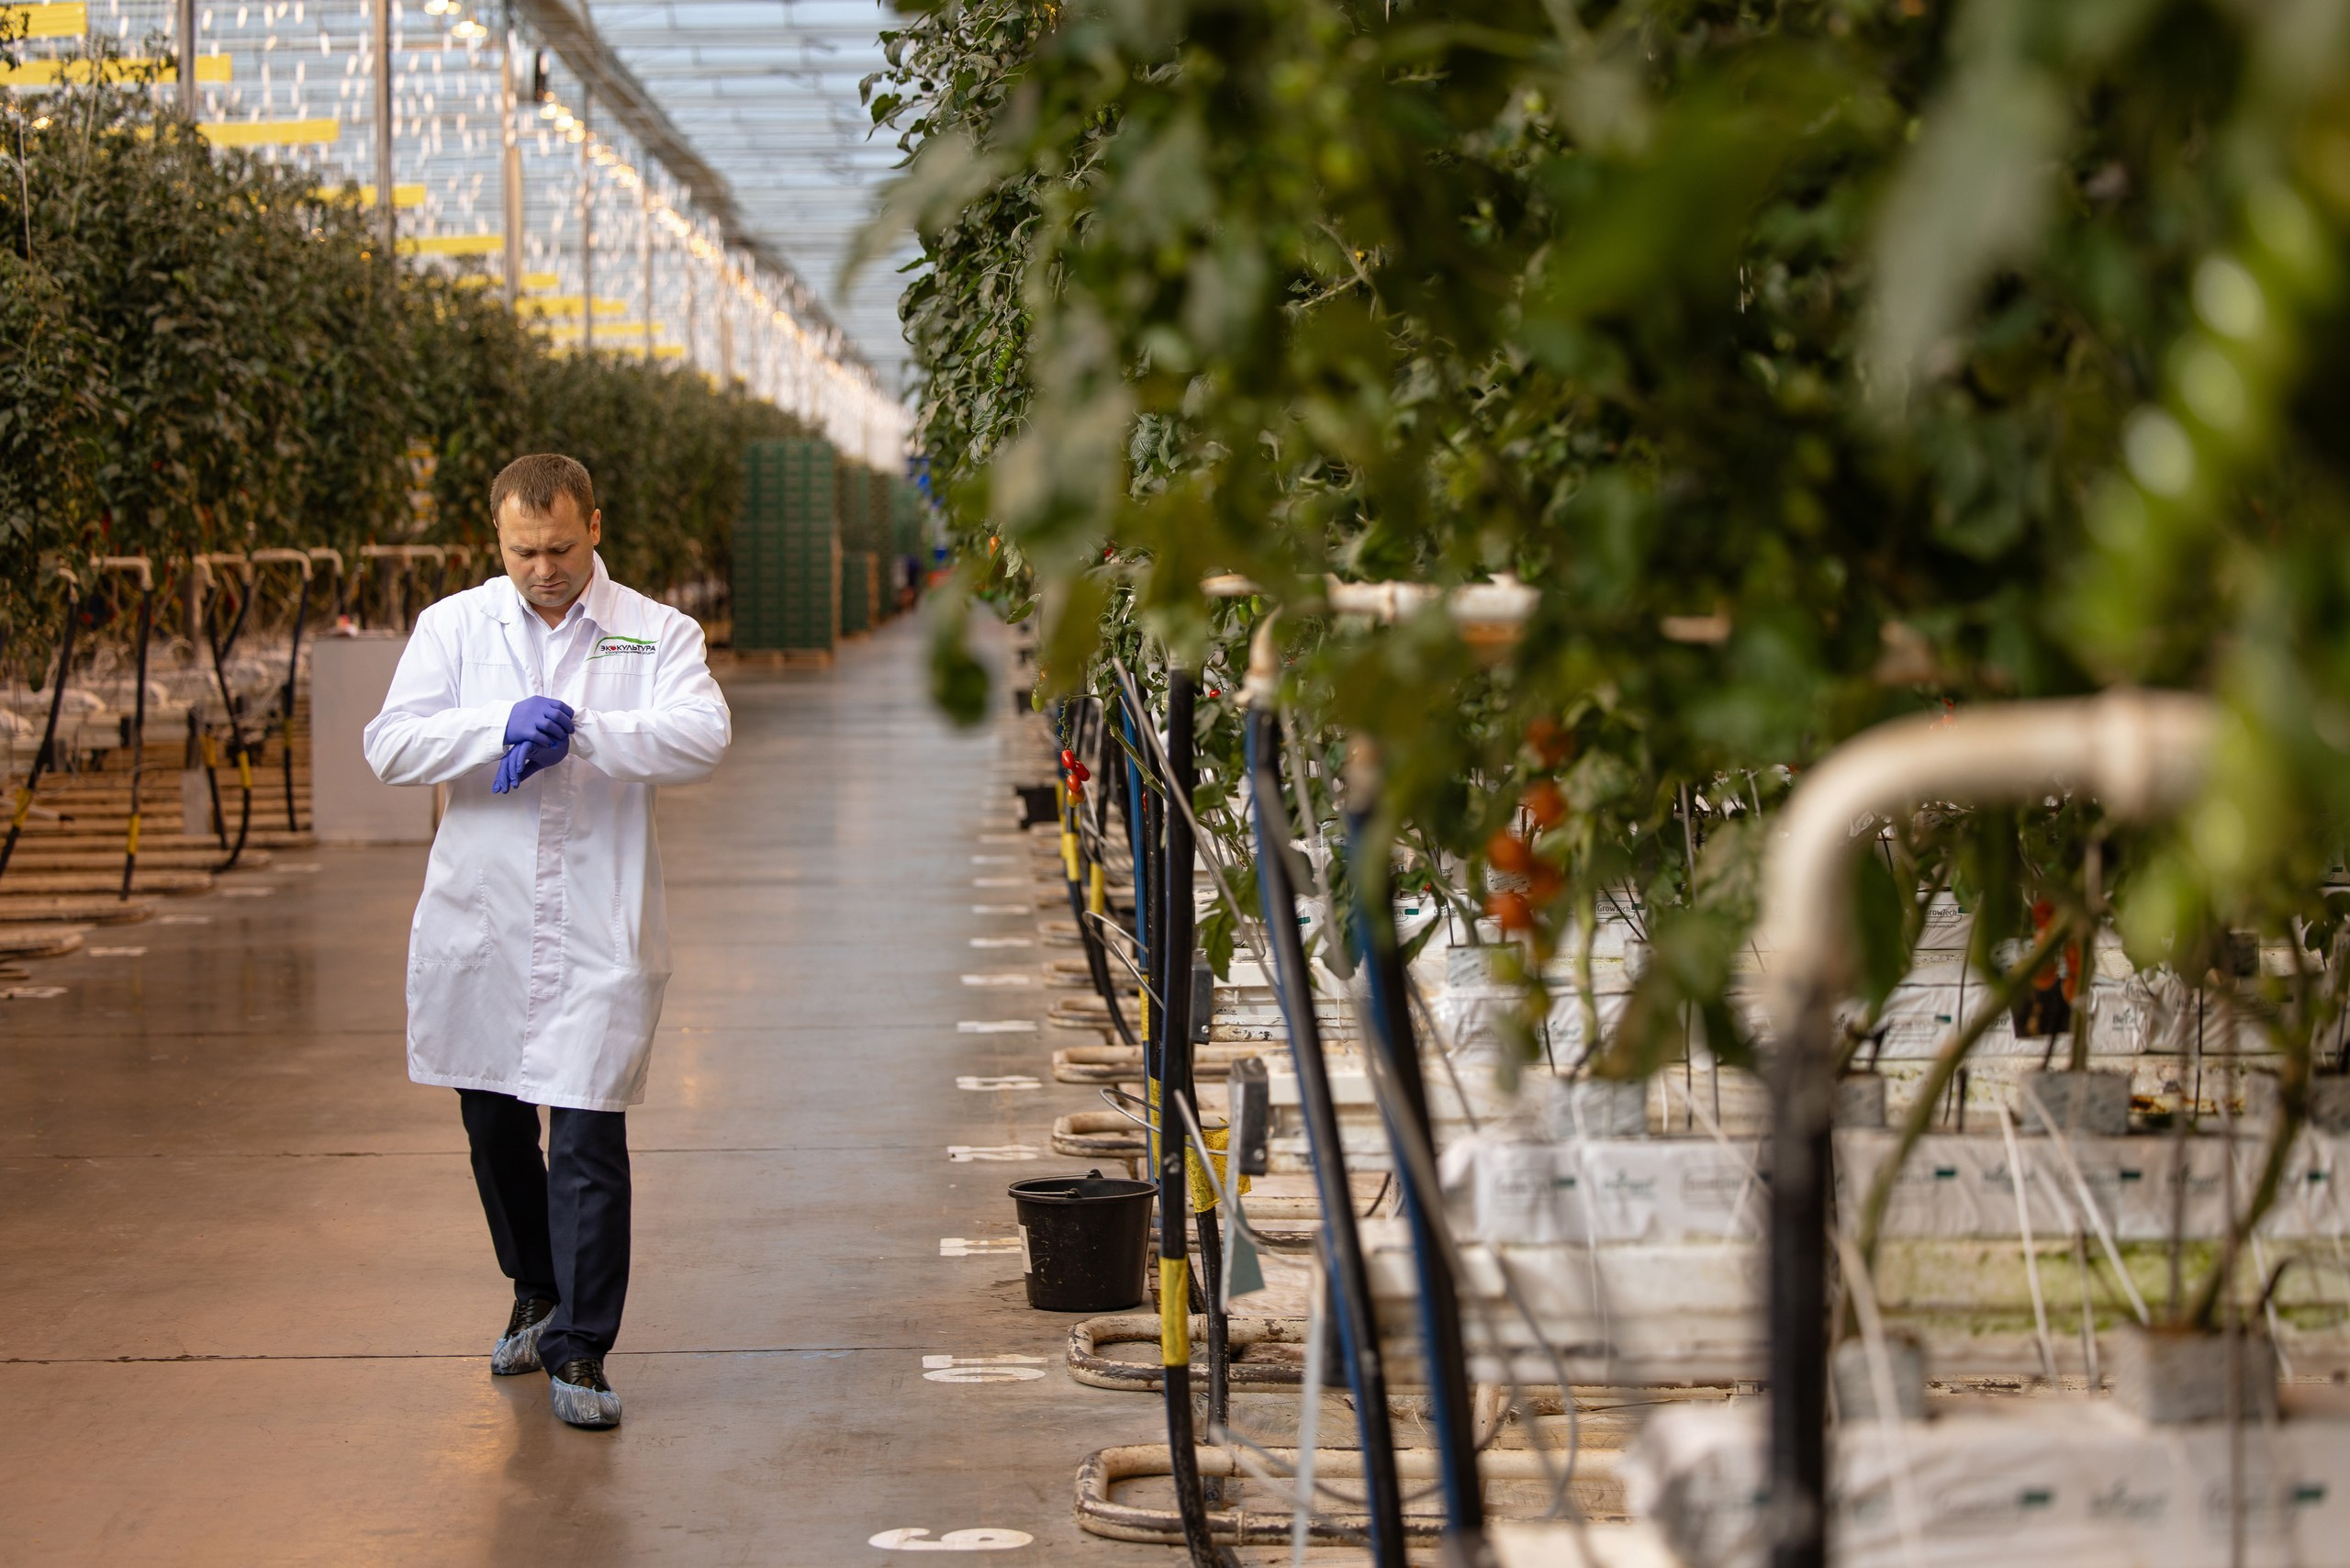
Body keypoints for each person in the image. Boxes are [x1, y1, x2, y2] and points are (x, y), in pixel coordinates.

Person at [363, 454, 730, 1428]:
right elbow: (390, 743)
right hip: (480, 925)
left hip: (596, 931)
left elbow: (702, 734)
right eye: (522, 551)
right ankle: (533, 1287)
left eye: (560, 547)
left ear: (594, 527)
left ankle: (582, 1351)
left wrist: (584, 732)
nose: (542, 568)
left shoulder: (655, 630)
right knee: (493, 1129)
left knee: (586, 1133)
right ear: (497, 542)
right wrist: (497, 725)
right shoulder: (453, 627)